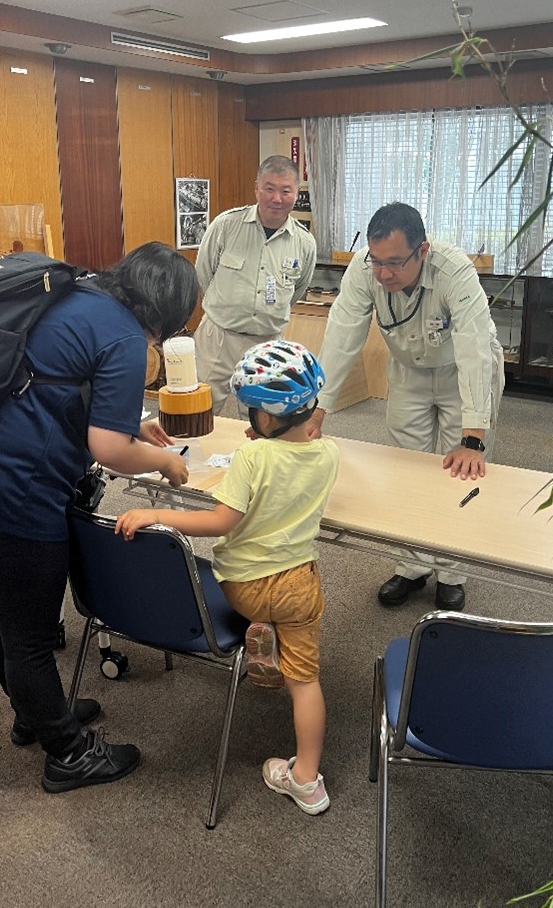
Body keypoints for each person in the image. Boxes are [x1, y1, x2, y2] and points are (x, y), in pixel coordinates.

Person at [0, 243, 199, 793]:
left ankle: (36, 711)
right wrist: (163, 460)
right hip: (16, 494)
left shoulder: (76, 294)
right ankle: (67, 752)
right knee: (28, 633)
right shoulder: (126, 335)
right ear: (167, 314)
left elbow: (60, 383)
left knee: (2, 612)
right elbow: (108, 449)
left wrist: (131, 423)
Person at [115, 340, 340, 815]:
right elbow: (300, 454)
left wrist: (156, 513)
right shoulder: (329, 455)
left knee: (257, 609)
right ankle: (306, 782)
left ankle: (259, 633)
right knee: (305, 682)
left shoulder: (253, 459)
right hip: (301, 585)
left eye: (252, 410)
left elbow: (220, 522)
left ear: (267, 418)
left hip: (247, 589)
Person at [308, 203, 504, 611]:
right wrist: (318, 406)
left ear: (423, 251)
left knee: (458, 471)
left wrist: (473, 435)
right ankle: (411, 566)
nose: (383, 273)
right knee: (405, 468)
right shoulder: (365, 270)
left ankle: (451, 573)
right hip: (409, 371)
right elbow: (343, 333)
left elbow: (472, 350)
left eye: (395, 263)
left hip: (461, 374)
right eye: (377, 261)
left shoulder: (455, 272)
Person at [194, 155, 317, 414]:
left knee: (261, 417)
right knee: (199, 409)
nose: (277, 198)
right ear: (256, 188)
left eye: (286, 191)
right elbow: (204, 272)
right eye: (269, 189)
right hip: (219, 335)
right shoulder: (227, 225)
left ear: (297, 193)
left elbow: (298, 290)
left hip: (267, 343)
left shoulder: (305, 242)